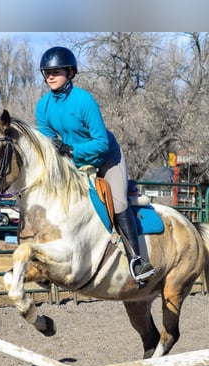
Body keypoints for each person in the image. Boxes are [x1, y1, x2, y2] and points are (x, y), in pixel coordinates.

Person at [35, 46, 156, 285]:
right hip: (74, 162)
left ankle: (137, 261)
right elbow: (51, 145)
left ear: (70, 72)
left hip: (107, 158)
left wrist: (72, 150)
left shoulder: (83, 100)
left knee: (119, 201)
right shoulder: (43, 106)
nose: (50, 75)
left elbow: (100, 143)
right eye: (47, 71)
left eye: (56, 71)